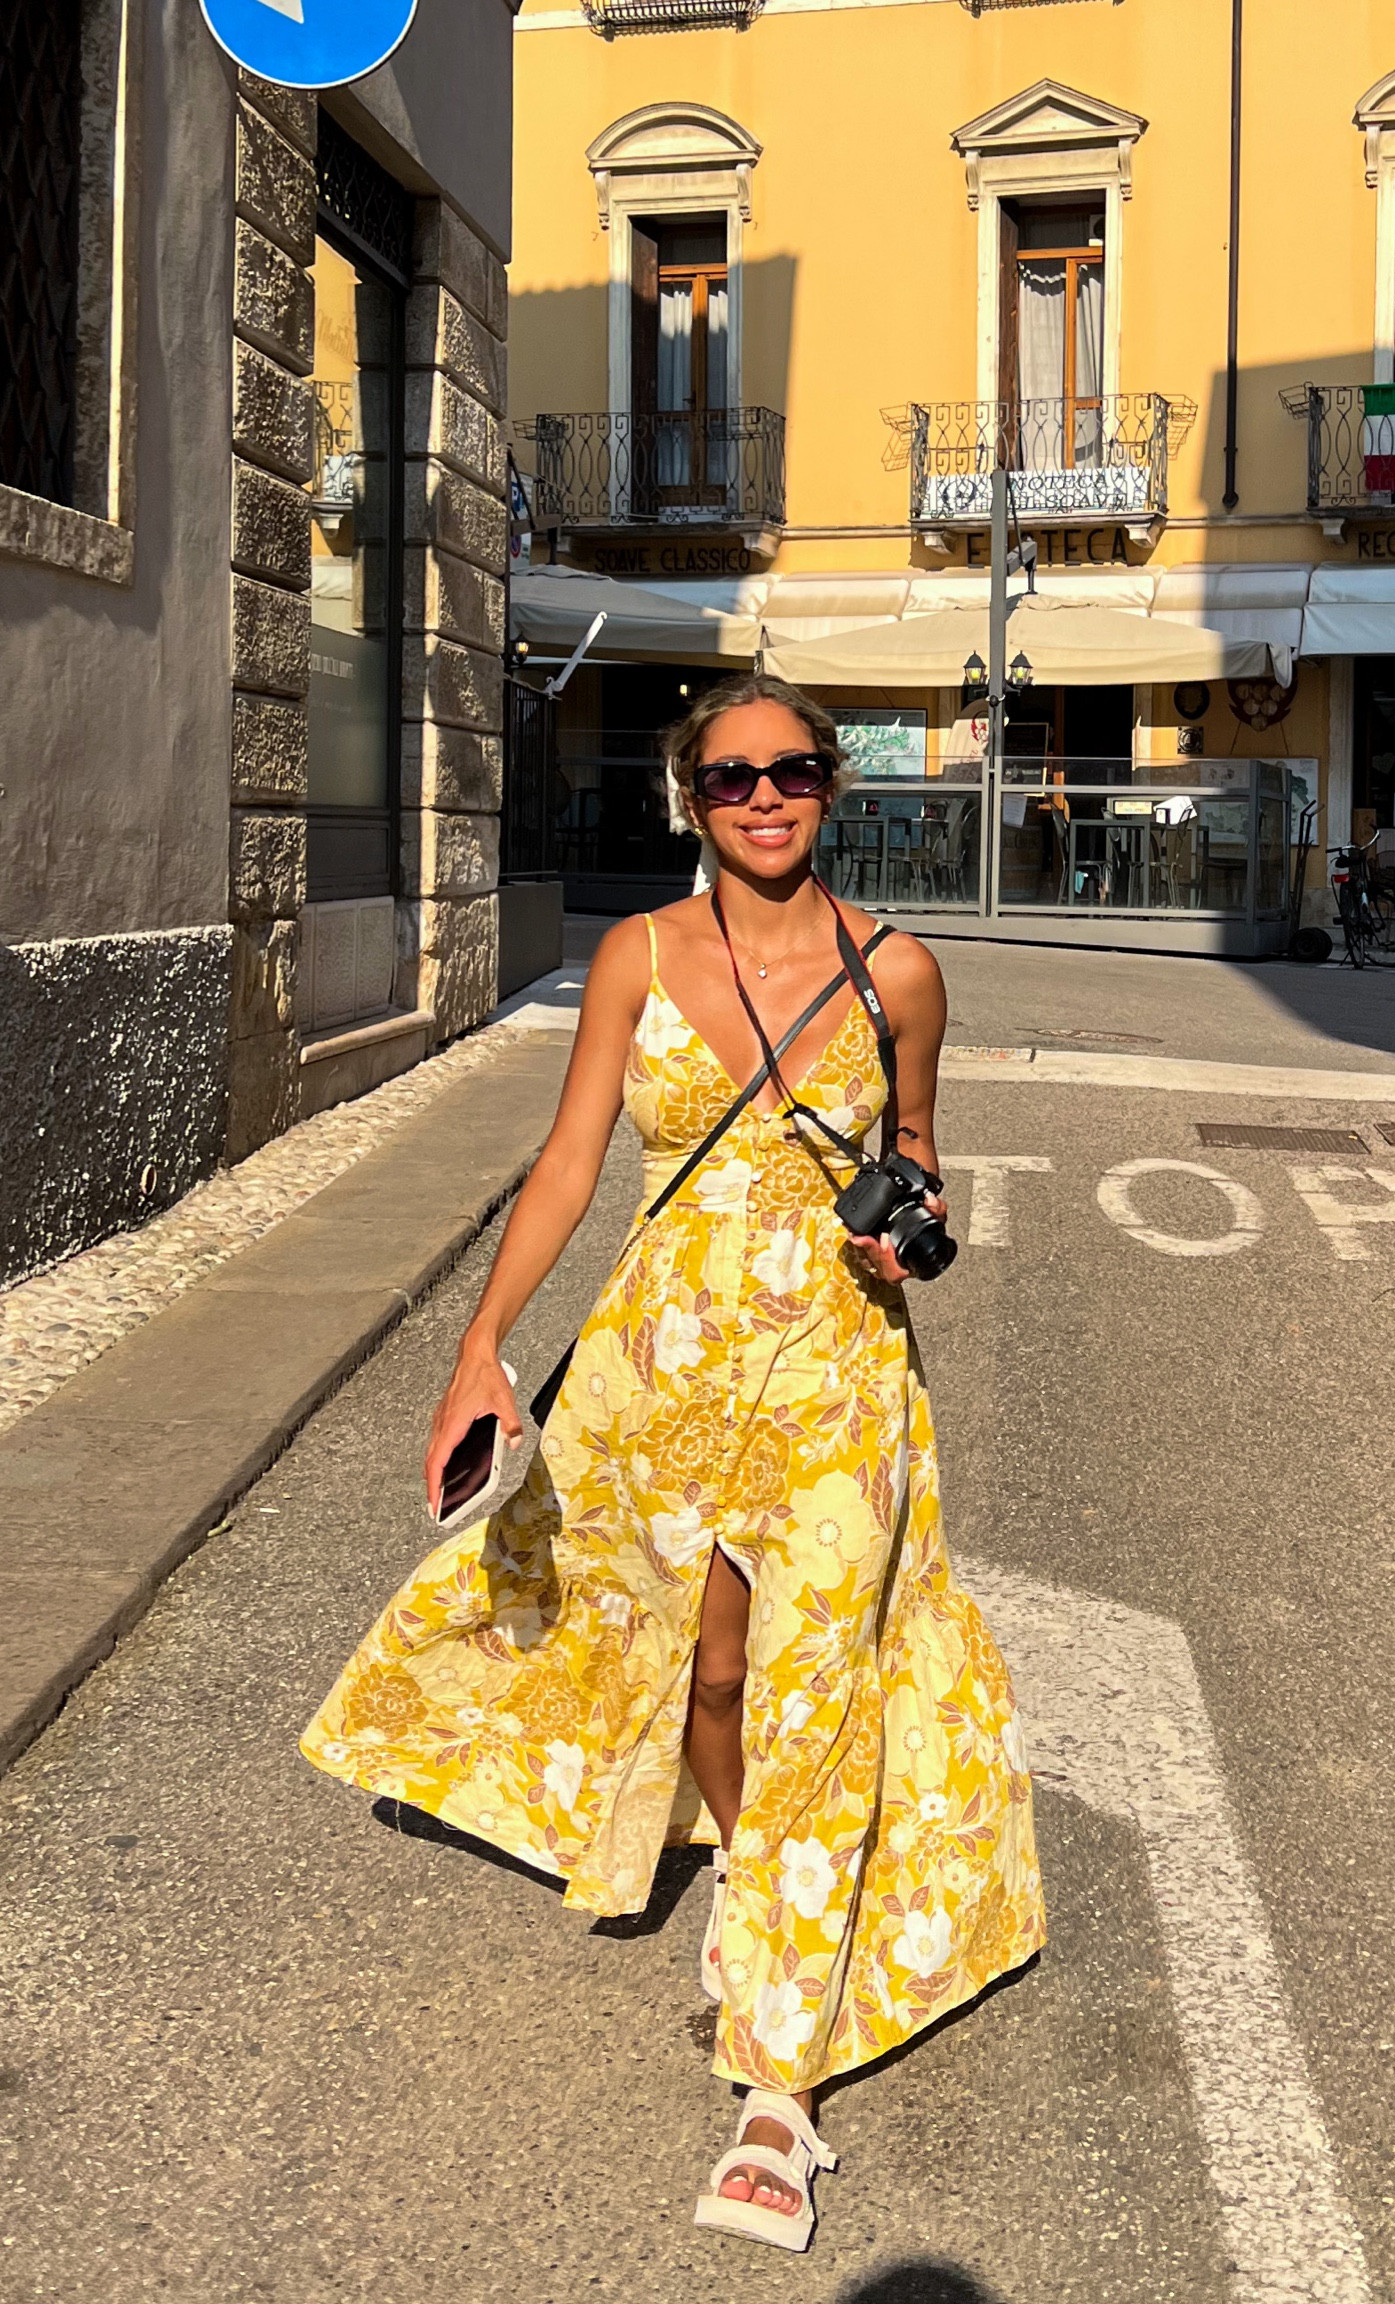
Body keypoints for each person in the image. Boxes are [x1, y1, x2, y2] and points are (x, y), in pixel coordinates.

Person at [301, 673, 1046, 2251]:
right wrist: (479, 1347)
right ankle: (752, 1872)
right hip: (664, 1378)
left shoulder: (901, 972)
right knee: (711, 1678)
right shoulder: (637, 956)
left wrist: (915, 1216)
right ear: (687, 798)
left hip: (838, 1378)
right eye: (730, 777)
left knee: (815, 1692)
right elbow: (573, 1160)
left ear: (832, 784)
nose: (763, 798)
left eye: (793, 771)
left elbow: (917, 1142)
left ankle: (779, 2083)